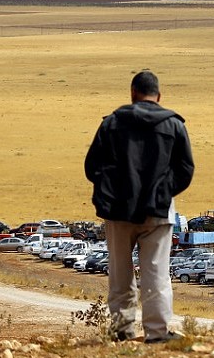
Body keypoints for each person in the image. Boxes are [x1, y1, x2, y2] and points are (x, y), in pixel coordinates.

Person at [84, 70, 195, 343]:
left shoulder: (111, 123)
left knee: (120, 274)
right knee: (156, 273)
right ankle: (157, 334)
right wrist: (164, 192)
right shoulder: (174, 125)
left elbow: (91, 167)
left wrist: (111, 191)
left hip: (118, 212)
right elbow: (185, 170)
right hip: (158, 213)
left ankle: (121, 332)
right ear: (159, 96)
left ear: (132, 93)